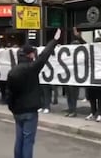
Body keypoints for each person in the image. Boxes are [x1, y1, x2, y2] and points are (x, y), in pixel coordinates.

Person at [7, 28, 61, 158]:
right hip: (30, 111)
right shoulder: (31, 68)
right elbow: (44, 56)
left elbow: (10, 93)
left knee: (19, 139)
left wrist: (12, 108)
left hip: (17, 111)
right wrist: (54, 40)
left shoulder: (12, 71)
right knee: (28, 141)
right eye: (33, 54)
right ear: (30, 55)